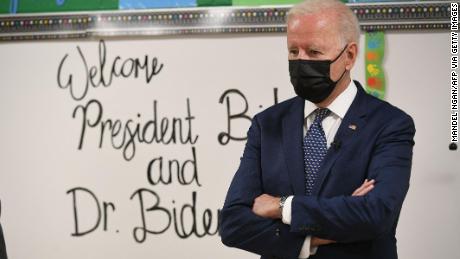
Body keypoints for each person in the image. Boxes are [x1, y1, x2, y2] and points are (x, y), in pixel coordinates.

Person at [219, 0, 416, 258]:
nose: (301, 61)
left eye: (313, 52)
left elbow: (376, 214)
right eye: (293, 51)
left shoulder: (390, 125)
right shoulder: (267, 124)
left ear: (349, 56)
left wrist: (282, 206)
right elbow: (233, 224)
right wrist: (314, 239)